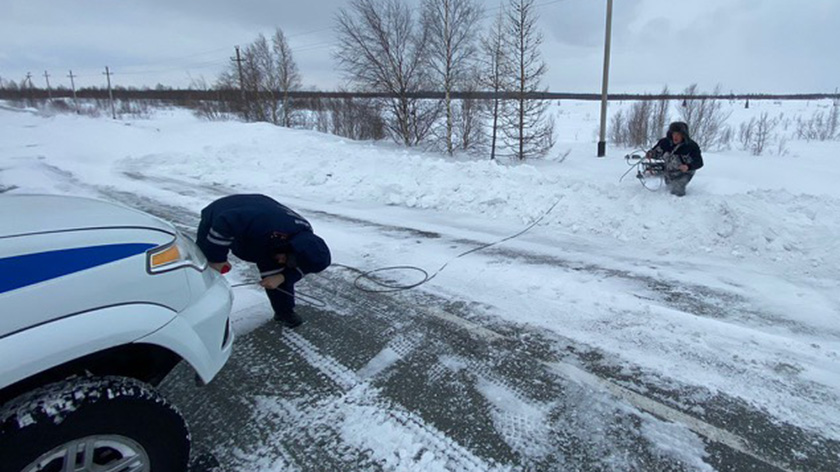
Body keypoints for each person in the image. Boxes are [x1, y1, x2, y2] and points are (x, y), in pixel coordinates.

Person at [196, 194, 331, 328]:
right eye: (288, 260)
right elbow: (225, 221)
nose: (283, 262)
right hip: (222, 213)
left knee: (275, 274)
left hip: (267, 234)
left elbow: (300, 267)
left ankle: (284, 312)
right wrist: (216, 258)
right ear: (290, 248)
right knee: (202, 266)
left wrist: (282, 276)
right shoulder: (267, 225)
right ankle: (197, 310)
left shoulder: (304, 241)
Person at [646, 121, 704, 196]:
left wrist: (688, 167)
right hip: (669, 172)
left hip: (684, 173)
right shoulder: (665, 142)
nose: (675, 137)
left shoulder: (691, 146)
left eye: (678, 134)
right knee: (669, 187)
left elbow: (699, 162)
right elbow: (656, 153)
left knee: (677, 192)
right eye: (674, 134)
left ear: (684, 135)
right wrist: (650, 154)